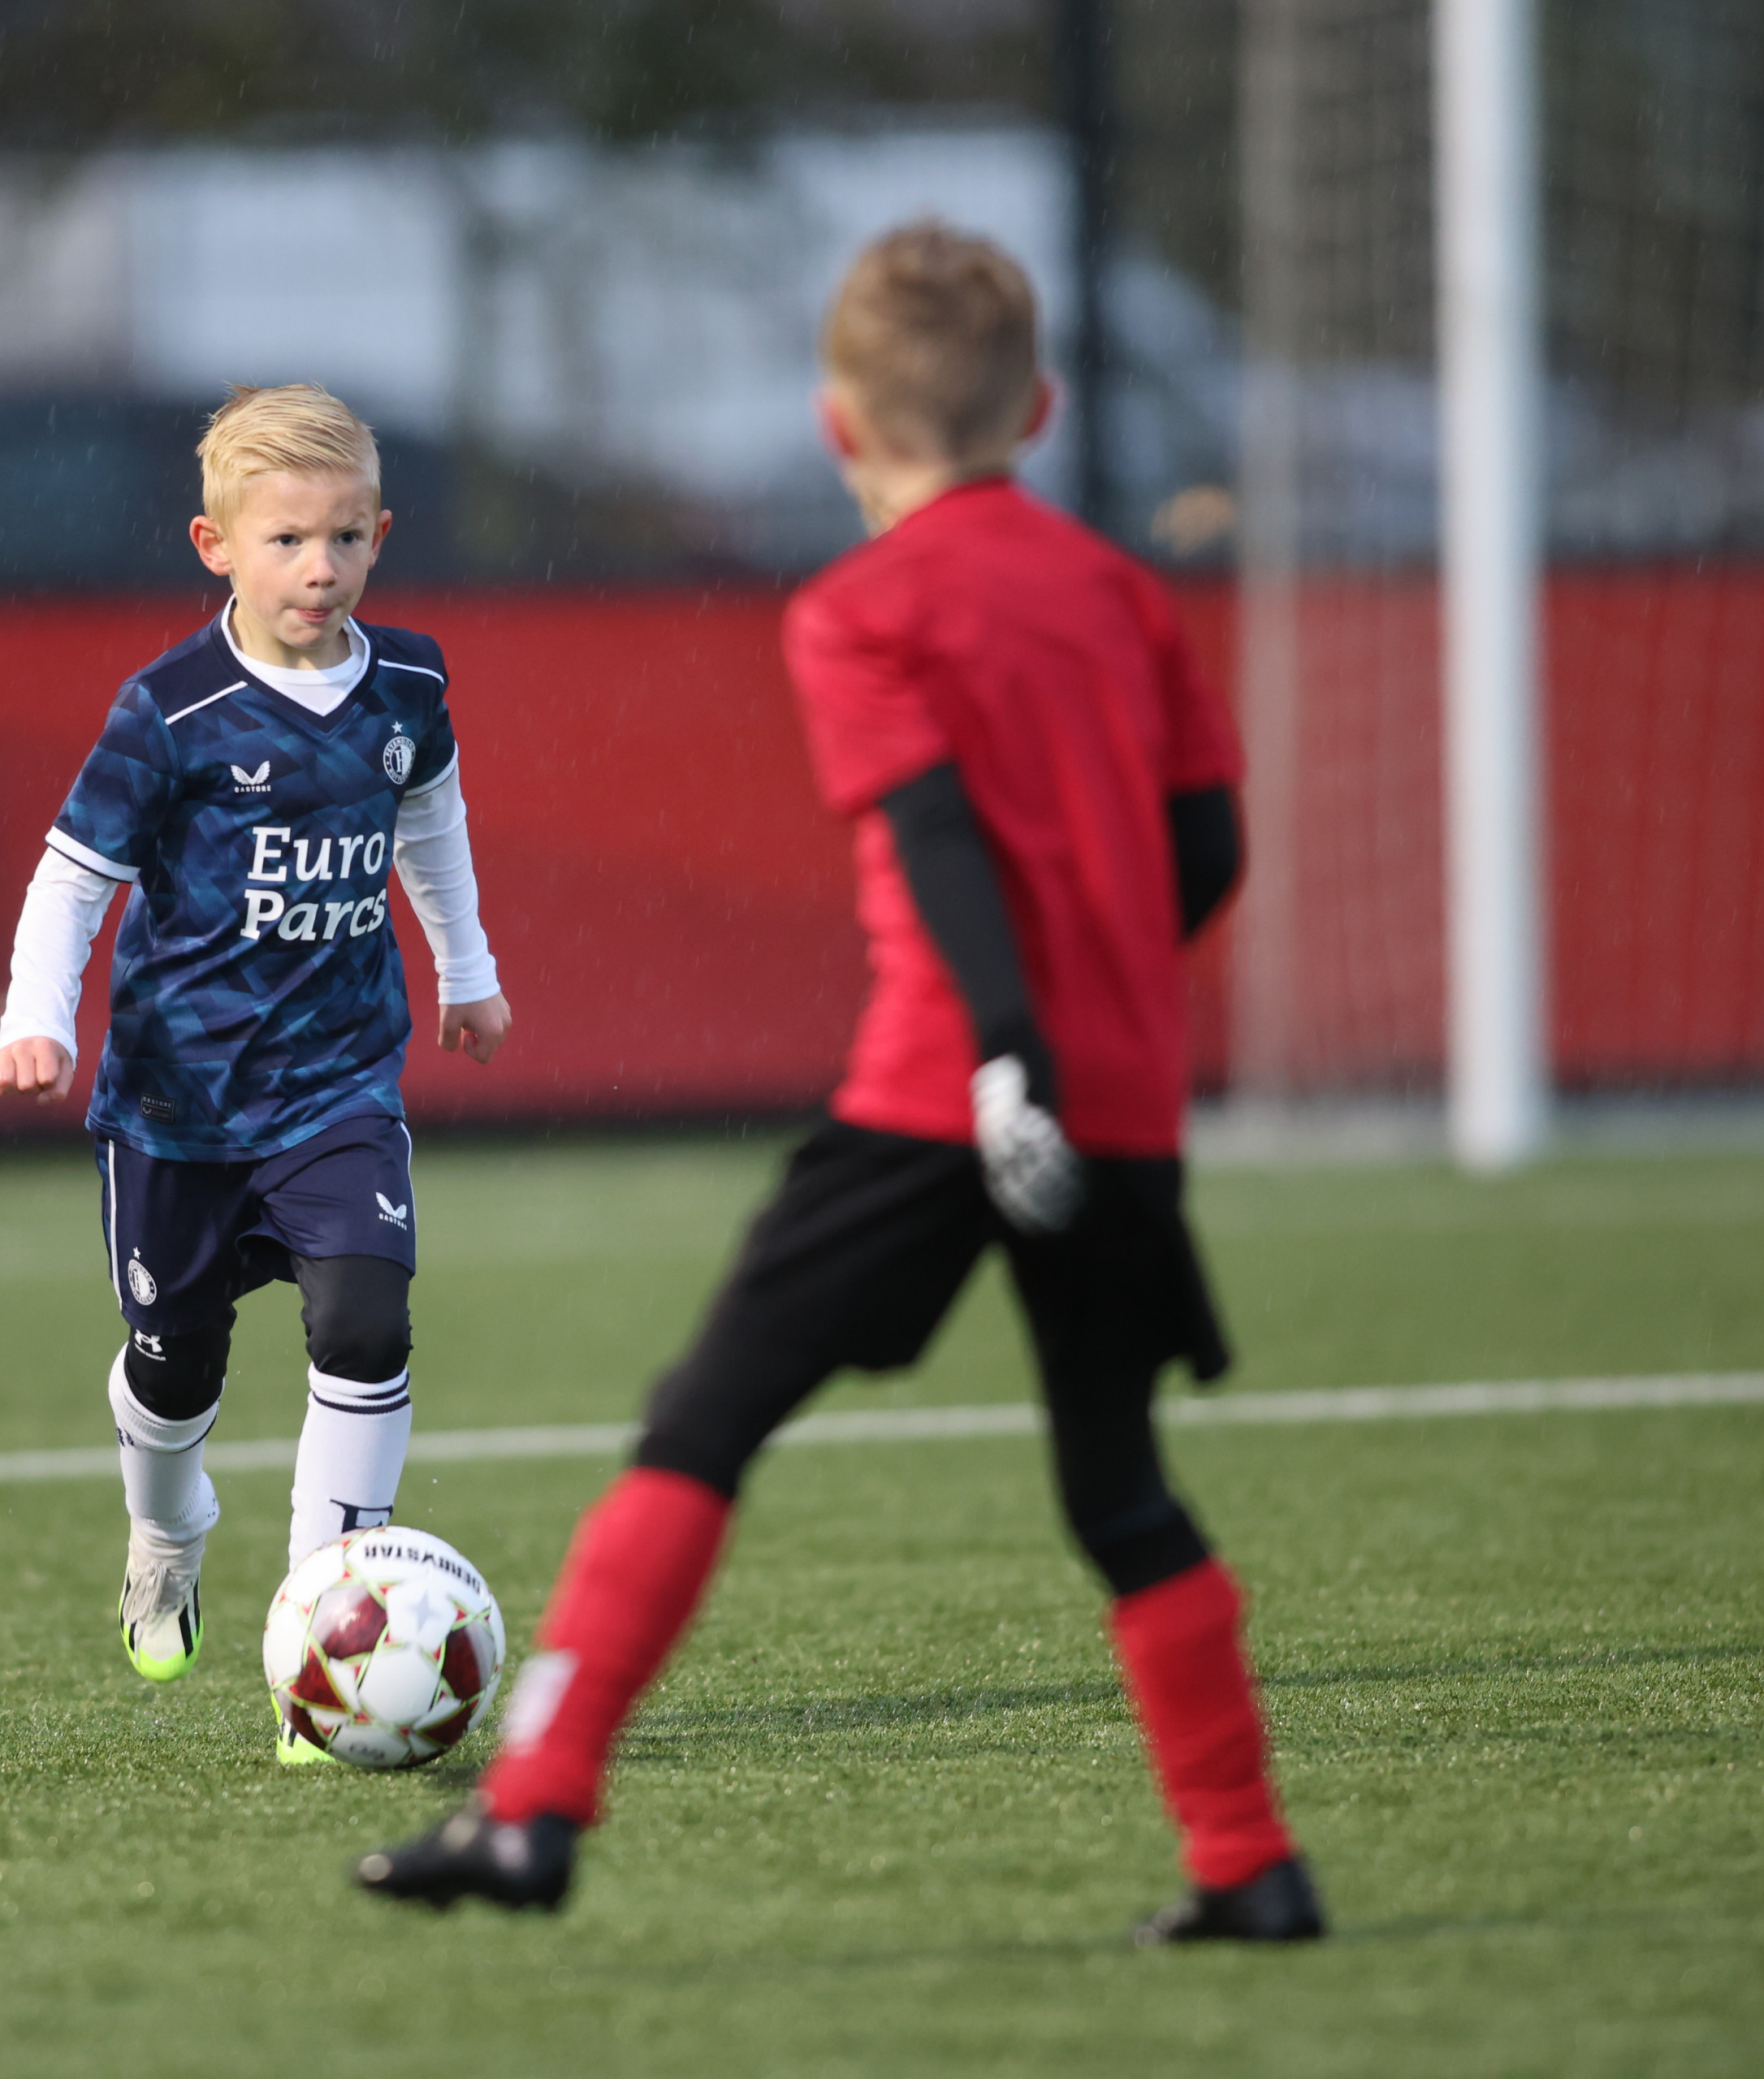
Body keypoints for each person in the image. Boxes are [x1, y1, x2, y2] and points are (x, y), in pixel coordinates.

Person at [353, 224, 1321, 1943]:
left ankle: (535, 1808)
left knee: (704, 1422)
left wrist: (1005, 1049)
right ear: (1039, 405)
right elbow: (1206, 841)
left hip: (938, 1090)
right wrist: (1088, 1022)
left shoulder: (858, 607)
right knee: (1119, 1485)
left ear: (836, 426)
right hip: (1115, 1105)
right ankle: (1249, 1860)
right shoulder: (1119, 590)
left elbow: (939, 839)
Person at [0, 383, 512, 1761]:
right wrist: (35, 1015)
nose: (318, 569)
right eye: (285, 542)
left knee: (367, 1326)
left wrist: (468, 971)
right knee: (174, 1373)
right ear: (216, 545)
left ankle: (316, 1648)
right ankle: (166, 1532)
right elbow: (71, 877)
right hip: (178, 1109)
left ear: (381, 536)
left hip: (340, 1087)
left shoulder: (410, 684)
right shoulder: (172, 711)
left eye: (344, 539)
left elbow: (431, 815)